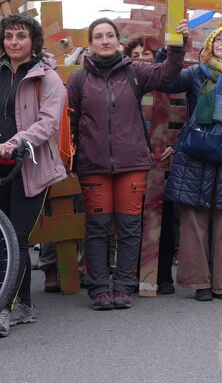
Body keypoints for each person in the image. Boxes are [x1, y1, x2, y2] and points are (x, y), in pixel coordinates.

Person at [68, 17, 186, 310]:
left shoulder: (135, 71)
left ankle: (122, 287)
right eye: (98, 36)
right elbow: (71, 120)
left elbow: (168, 73)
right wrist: (74, 157)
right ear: (91, 43)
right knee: (97, 228)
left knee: (129, 228)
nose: (105, 40)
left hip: (131, 163)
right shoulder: (78, 78)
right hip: (93, 165)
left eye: (110, 35)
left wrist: (176, 45)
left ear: (118, 41)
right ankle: (99, 289)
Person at [0, 14, 67, 337]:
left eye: (21, 36)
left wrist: (15, 142)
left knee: (16, 236)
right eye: (9, 36)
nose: (13, 42)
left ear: (33, 41)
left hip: (31, 166)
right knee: (2, 237)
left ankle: (3, 308)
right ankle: (24, 304)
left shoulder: (48, 78)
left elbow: (48, 123)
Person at [159, 24, 222, 301]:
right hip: (193, 156)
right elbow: (165, 81)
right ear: (211, 44)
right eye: (218, 39)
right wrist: (171, 48)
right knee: (194, 224)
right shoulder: (195, 73)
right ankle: (200, 283)